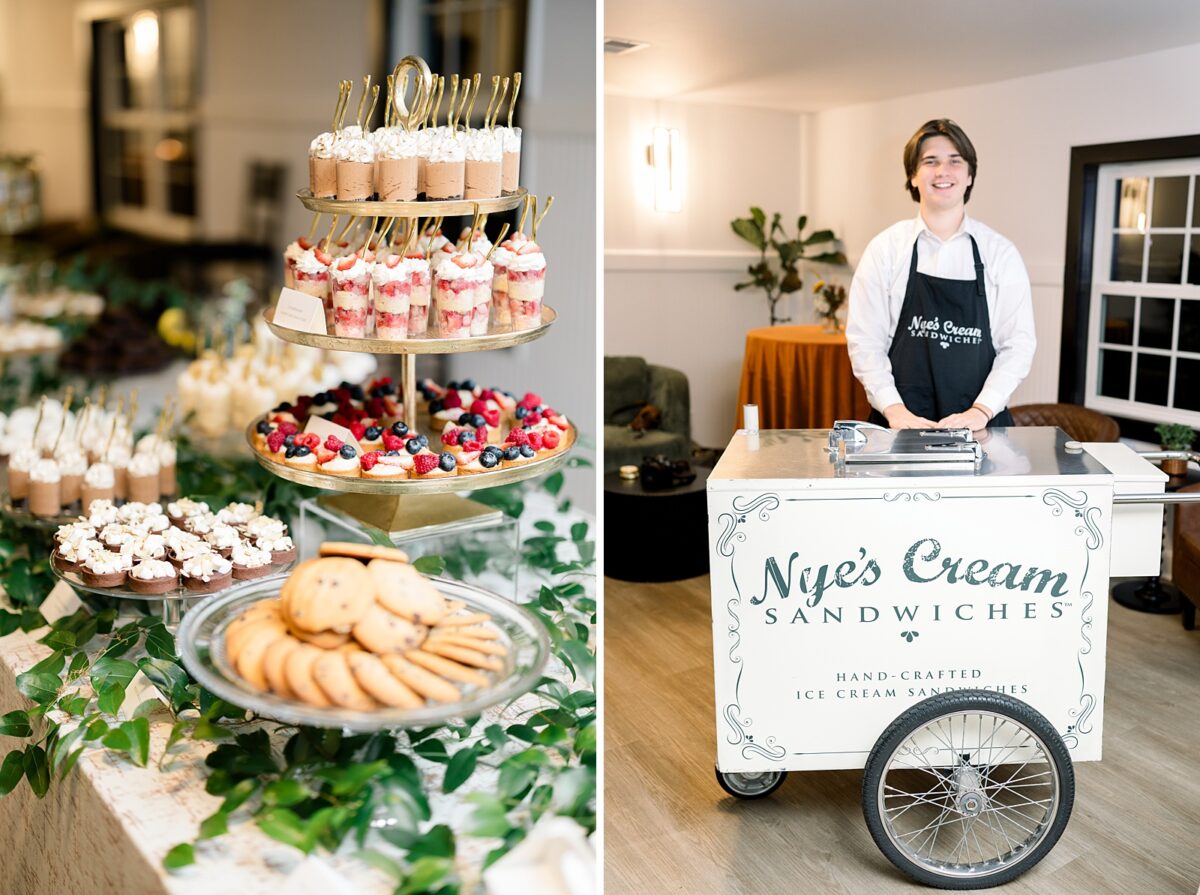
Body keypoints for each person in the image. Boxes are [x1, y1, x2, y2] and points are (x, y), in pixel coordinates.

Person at [845, 119, 1035, 430]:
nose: (942, 171)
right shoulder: (885, 250)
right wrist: (894, 410)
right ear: (913, 176)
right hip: (899, 427)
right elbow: (865, 342)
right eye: (930, 161)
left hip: (981, 430)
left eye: (955, 162)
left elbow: (1018, 344)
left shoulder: (1000, 254)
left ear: (970, 175)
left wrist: (981, 411)